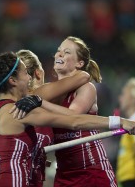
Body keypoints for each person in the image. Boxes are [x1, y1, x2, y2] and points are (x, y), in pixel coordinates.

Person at [0, 51, 135, 187]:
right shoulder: (19, 111)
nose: (29, 78)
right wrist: (120, 122)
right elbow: (74, 122)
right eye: (25, 73)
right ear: (13, 81)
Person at [13, 36, 123, 187]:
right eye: (58, 51)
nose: (59, 54)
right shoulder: (51, 91)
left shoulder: (86, 88)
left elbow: (74, 118)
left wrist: (40, 102)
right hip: (64, 175)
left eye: (67, 52)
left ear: (80, 63)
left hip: (92, 171)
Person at [16, 49, 91, 186]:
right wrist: (118, 122)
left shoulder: (14, 102)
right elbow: (84, 76)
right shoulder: (39, 93)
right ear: (38, 73)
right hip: (23, 178)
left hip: (26, 175)